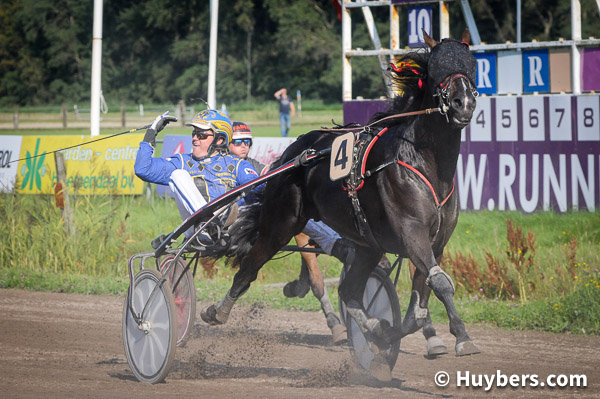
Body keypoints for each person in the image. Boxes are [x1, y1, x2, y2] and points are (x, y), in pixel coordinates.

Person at [229, 121, 355, 279]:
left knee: (298, 215)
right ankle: (335, 245)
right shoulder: (227, 166)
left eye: (247, 142)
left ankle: (337, 243)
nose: (244, 146)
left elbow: (273, 178)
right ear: (226, 142)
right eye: (238, 142)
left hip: (261, 211)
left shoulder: (254, 164)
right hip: (238, 216)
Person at [134, 110, 259, 244]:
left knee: (253, 196)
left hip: (231, 225)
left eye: (201, 135)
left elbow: (257, 189)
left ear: (220, 140)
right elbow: (143, 169)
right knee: (178, 174)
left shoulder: (237, 164)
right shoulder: (182, 162)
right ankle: (206, 224)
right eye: (194, 133)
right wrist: (151, 133)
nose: (195, 138)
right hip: (194, 228)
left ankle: (214, 223)